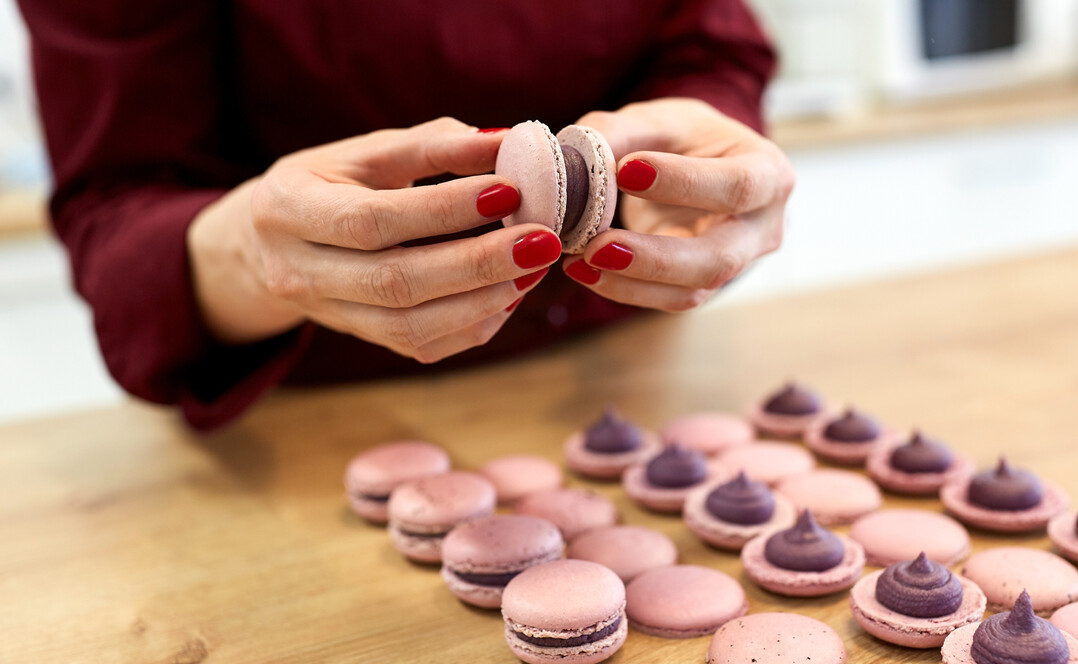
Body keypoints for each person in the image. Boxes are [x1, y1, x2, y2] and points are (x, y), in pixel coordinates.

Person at [18, 0, 795, 430]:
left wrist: (699, 149)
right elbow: (115, 205)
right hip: (319, 422)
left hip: (628, 372)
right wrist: (251, 250)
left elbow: (711, 43)